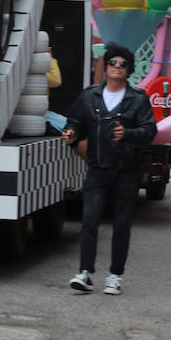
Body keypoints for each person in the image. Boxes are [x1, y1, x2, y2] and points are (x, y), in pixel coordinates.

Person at [62, 44, 157, 296]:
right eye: (113, 62)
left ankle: (115, 276)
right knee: (89, 221)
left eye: (122, 64)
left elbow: (150, 132)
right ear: (105, 66)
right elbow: (75, 122)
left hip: (126, 171)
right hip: (97, 169)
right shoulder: (89, 96)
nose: (117, 67)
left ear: (129, 70)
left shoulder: (137, 99)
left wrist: (128, 133)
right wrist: (71, 133)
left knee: (121, 225)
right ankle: (85, 273)